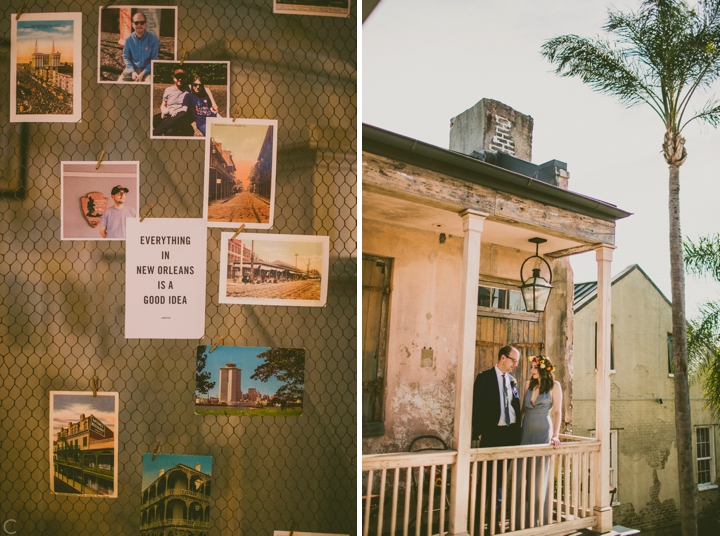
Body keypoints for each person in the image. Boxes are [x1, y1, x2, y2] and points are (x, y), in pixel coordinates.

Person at [471, 345, 522, 529]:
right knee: (485, 478)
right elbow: (475, 405)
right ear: (502, 358)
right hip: (491, 434)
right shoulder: (484, 378)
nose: (515, 364)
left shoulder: (513, 381)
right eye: (513, 360)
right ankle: (476, 522)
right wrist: (479, 431)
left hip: (509, 435)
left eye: (517, 361)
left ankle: (494, 520)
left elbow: (515, 407)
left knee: (500, 479)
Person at [517, 355, 563, 527]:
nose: (532, 370)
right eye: (532, 367)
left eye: (535, 367)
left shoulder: (554, 386)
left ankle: (538, 520)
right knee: (522, 475)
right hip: (525, 432)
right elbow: (522, 410)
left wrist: (556, 435)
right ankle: (519, 518)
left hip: (543, 431)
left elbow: (558, 412)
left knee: (539, 475)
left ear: (544, 369)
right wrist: (516, 431)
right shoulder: (529, 385)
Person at [118, 11, 159, 82]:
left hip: (147, 70)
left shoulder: (153, 39)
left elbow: (154, 59)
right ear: (132, 24)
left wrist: (142, 74)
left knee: (149, 85)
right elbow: (126, 57)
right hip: (132, 68)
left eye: (142, 22)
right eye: (136, 23)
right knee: (119, 83)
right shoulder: (128, 39)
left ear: (145, 24)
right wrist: (132, 72)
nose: (139, 25)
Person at [152, 68, 194, 136]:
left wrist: (213, 103)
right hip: (169, 114)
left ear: (185, 78)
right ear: (174, 78)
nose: (180, 79)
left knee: (170, 130)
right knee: (155, 119)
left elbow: (205, 89)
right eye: (178, 77)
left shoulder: (189, 88)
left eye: (182, 77)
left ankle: (156, 132)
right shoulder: (168, 90)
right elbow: (163, 104)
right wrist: (163, 111)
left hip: (180, 115)